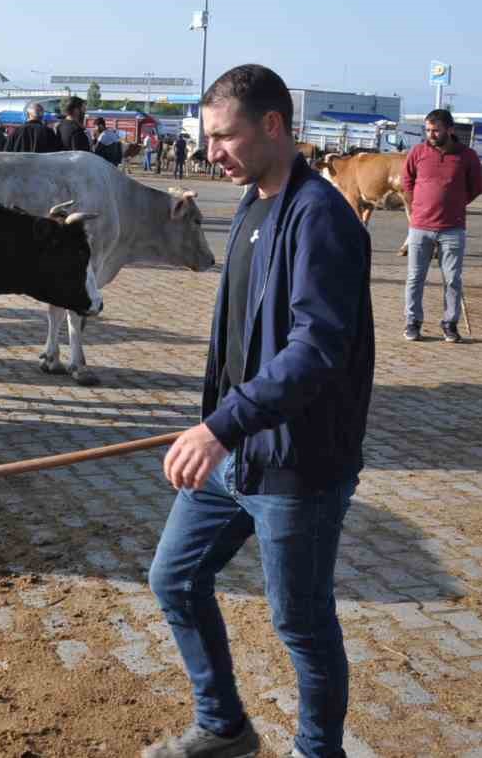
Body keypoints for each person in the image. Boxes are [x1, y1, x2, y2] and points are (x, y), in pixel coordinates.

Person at [145, 63, 372, 758]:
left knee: (301, 624)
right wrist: (219, 423)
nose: (212, 152)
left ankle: (316, 751)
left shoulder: (321, 217)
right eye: (208, 137)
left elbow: (316, 349)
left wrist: (220, 425)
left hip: (296, 463)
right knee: (175, 579)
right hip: (236, 447)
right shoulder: (250, 204)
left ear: (274, 126)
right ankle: (224, 729)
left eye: (225, 137)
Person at [402, 108, 482, 344]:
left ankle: (449, 324)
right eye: (427, 130)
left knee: (453, 279)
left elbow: (476, 186)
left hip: (453, 228)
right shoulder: (417, 152)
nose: (431, 134)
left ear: (450, 129)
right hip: (420, 227)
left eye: (435, 130)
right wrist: (417, 205)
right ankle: (412, 322)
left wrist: (455, 203)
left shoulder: (467, 156)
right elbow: (407, 181)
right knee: (415, 277)